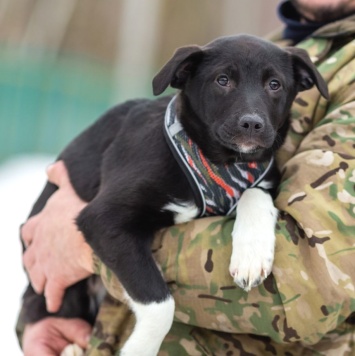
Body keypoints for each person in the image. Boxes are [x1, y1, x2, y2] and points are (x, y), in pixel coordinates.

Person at [18, 0, 355, 354]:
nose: (253, 115)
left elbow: (306, 281)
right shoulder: (267, 48)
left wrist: (81, 250)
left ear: (298, 85)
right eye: (224, 80)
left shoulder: (315, 67)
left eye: (273, 86)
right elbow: (50, 241)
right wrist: (39, 316)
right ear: (183, 77)